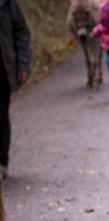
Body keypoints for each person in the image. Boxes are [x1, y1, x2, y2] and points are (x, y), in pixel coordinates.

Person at [0, 0, 31, 181]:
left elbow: (21, 32)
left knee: (1, 116)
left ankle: (2, 162)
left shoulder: (8, 4)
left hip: (3, 71)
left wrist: (23, 65)